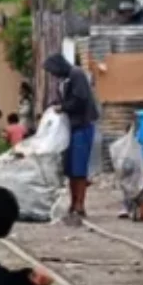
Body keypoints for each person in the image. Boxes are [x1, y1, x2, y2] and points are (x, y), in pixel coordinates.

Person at [43, 54, 100, 220]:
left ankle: (80, 204)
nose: (52, 74)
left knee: (79, 168)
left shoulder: (77, 75)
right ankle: (73, 202)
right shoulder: (64, 79)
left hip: (81, 126)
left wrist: (63, 108)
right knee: (70, 168)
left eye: (52, 70)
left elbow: (80, 100)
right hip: (70, 127)